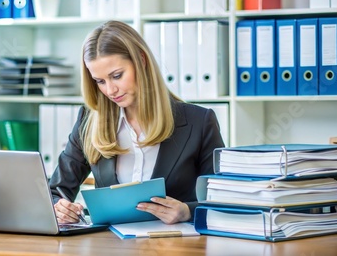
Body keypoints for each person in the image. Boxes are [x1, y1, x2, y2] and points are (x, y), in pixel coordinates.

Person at [49, 20, 224, 225]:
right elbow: (55, 191)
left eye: (117, 76)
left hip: (175, 246)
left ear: (141, 60)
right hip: (109, 247)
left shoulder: (199, 122)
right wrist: (59, 208)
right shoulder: (89, 121)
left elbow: (221, 198)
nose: (110, 90)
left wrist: (187, 211)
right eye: (100, 81)